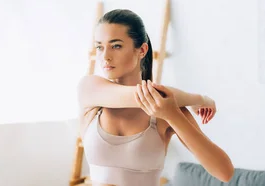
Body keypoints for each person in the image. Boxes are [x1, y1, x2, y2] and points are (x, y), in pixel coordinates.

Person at [77, 9, 234, 186]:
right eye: (99, 47)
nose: (105, 56)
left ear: (142, 50)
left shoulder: (167, 109)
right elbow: (142, 96)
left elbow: (225, 172)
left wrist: (172, 115)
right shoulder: (90, 90)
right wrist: (201, 100)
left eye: (116, 46)